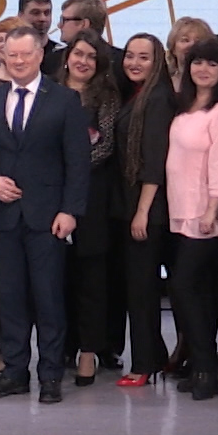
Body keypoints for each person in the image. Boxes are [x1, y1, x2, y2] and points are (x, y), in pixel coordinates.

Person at [0, 27, 92, 403]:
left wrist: (70, 210)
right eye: (11, 55)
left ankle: (50, 374)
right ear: (2, 57)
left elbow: (78, 160)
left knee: (48, 297)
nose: (18, 61)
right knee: (9, 297)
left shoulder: (64, 99)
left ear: (40, 55)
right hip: (4, 217)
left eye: (25, 54)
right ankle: (14, 372)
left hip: (48, 217)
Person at [162, 39, 218, 401]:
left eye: (212, 63)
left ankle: (207, 369)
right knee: (198, 293)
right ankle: (201, 368)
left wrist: (212, 211)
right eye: (198, 62)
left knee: (184, 286)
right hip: (181, 212)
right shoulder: (184, 107)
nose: (203, 70)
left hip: (207, 216)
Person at [59, 35, 121, 385]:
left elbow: (107, 144)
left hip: (93, 198)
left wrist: (73, 167)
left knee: (91, 279)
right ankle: (63, 346)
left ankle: (88, 350)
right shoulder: (49, 91)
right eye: (78, 53)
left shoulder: (106, 97)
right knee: (59, 278)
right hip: (52, 195)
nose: (83, 61)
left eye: (91, 57)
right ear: (67, 57)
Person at [116, 33, 174, 388]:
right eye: (130, 55)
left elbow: (155, 160)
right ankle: (155, 355)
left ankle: (143, 365)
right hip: (132, 205)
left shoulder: (158, 98)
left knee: (141, 291)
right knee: (138, 288)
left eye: (144, 57)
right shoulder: (136, 94)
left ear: (158, 61)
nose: (134, 63)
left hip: (148, 210)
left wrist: (142, 211)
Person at [165, 17, 216, 87]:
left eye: (198, 41)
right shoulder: (164, 85)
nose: (192, 45)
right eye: (185, 40)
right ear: (173, 48)